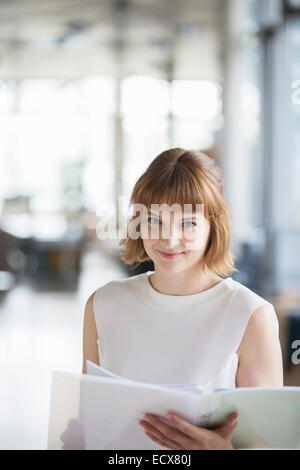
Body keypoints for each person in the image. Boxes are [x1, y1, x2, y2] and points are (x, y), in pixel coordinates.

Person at [82, 148, 283, 450]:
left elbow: (270, 442)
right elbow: (87, 421)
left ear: (213, 225)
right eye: (155, 220)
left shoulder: (250, 315)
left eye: (188, 223)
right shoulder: (102, 304)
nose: (169, 239)